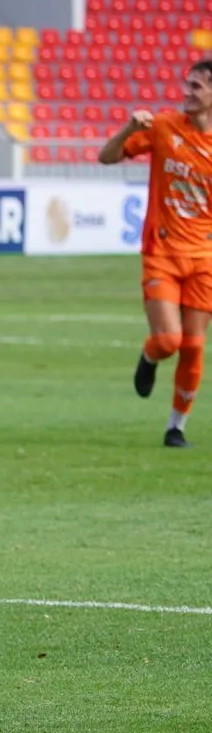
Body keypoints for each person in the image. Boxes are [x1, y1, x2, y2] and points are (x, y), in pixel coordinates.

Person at [98, 60, 212, 447]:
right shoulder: (163, 127)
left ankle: (175, 427)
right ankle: (149, 358)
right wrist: (130, 128)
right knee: (168, 341)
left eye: (197, 86)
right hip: (162, 252)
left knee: (194, 347)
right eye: (188, 84)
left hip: (204, 258)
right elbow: (106, 157)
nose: (187, 91)